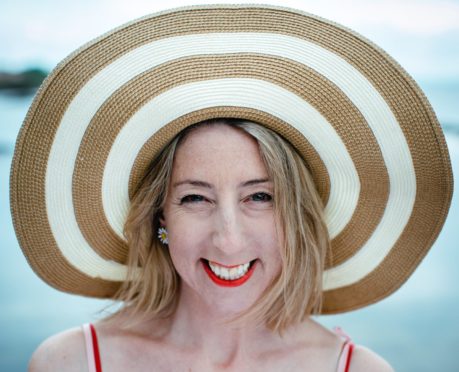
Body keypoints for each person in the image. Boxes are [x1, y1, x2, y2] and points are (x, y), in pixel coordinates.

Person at [11, 4, 452, 372]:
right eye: (195, 197)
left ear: (296, 216)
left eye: (259, 196)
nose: (228, 238)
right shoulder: (69, 362)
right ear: (160, 217)